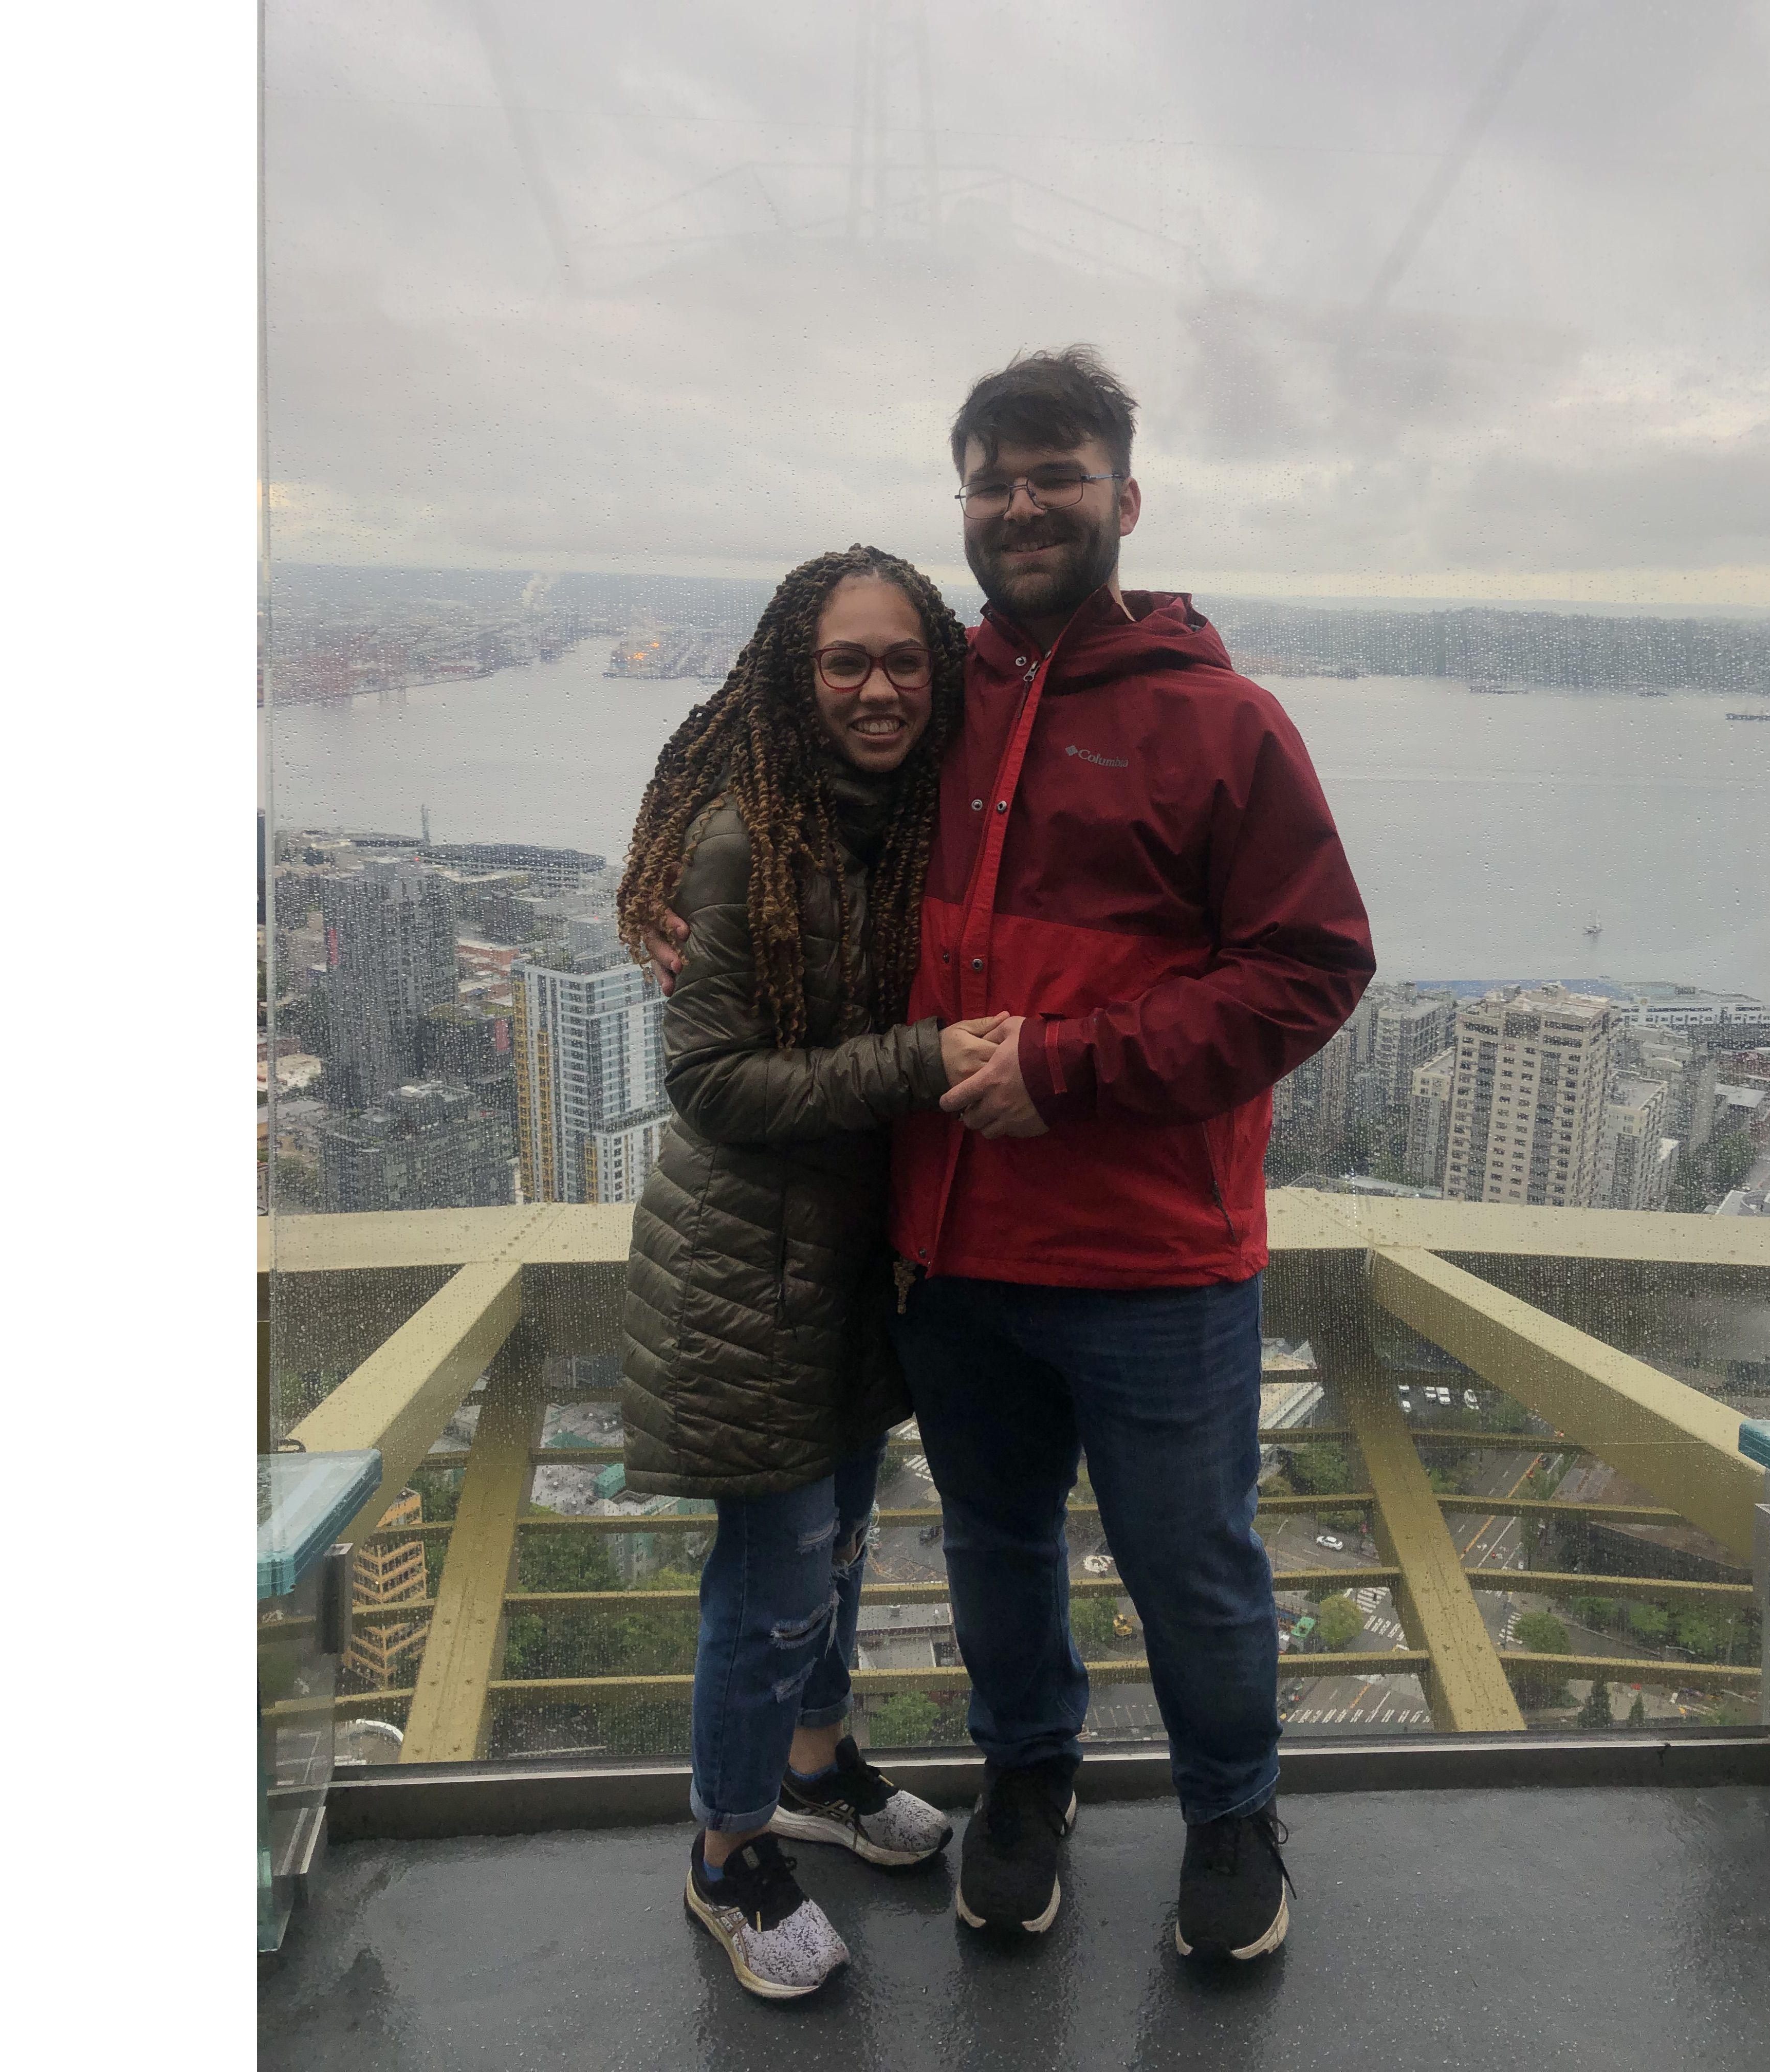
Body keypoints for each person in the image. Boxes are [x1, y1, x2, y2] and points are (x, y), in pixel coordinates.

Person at [647, 349, 1374, 1965]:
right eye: (993, 479)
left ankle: (1232, 1811)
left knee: (1192, 1560)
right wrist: (688, 912)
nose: (1024, 504)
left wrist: (1072, 1071)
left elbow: (1311, 967)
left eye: (1058, 474)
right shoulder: (941, 698)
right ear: (963, 505)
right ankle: (1026, 1789)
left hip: (1152, 1255)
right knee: (996, 1554)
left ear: (1127, 496)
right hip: (952, 1257)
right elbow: (774, 801)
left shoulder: (1222, 724)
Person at [614, 543, 1008, 2001]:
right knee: (774, 1576)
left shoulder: (897, 825)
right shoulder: (743, 836)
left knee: (839, 1545)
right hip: (745, 1276)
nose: (878, 686)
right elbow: (709, 1082)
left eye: (902, 659)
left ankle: (815, 1766)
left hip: (848, 1265)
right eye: (845, 661)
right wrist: (916, 1064)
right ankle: (726, 1853)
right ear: (796, 673)